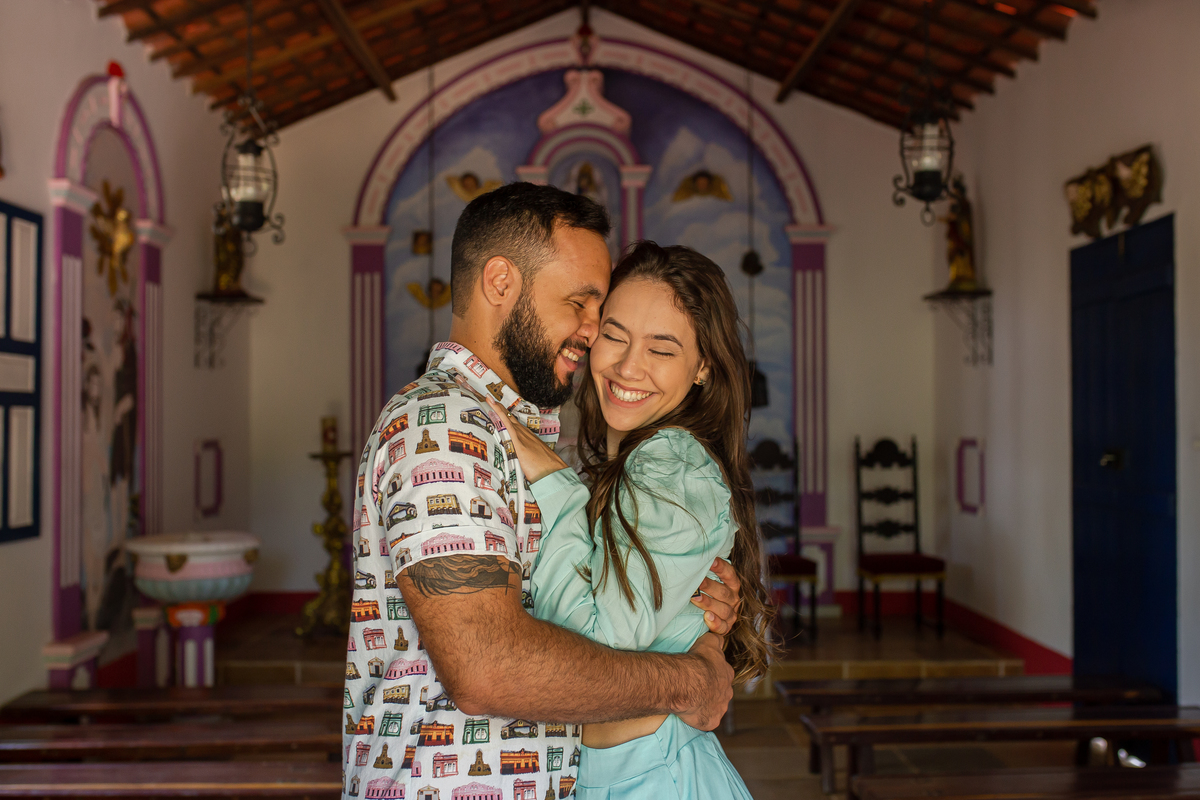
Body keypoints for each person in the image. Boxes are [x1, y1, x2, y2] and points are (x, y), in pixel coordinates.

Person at [344, 183, 743, 800]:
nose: (593, 331)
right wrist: (689, 679)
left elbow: (612, 602)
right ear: (501, 282)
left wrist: (696, 616)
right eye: (581, 304)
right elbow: (486, 668)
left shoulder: (519, 433)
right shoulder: (444, 427)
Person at [492, 242, 774, 798]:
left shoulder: (672, 463)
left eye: (661, 349)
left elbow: (593, 644)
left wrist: (552, 481)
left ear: (704, 366)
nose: (627, 366)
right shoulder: (624, 465)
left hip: (652, 780)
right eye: (614, 335)